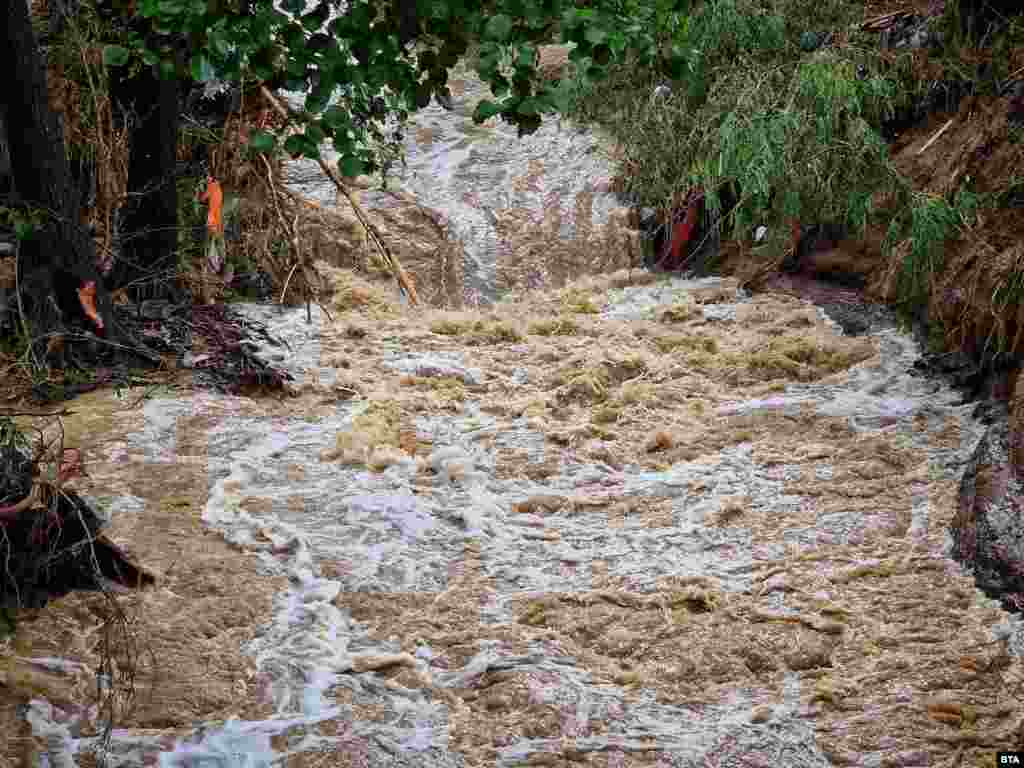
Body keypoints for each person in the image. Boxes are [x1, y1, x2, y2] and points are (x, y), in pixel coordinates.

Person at [197, 175, 225, 302]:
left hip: (212, 219)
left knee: (210, 242)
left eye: (209, 179)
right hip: (216, 219)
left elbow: (202, 198)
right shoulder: (218, 189)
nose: (207, 180)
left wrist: (199, 195)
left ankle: (211, 262)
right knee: (214, 242)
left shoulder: (213, 187)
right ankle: (213, 262)